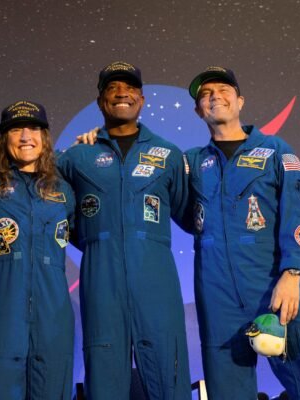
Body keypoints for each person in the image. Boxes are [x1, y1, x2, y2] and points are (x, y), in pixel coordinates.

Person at [184, 66, 300, 399]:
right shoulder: (190, 163)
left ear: (240, 101)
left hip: (273, 285)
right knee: (228, 392)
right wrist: (99, 142)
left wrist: (293, 273)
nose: (215, 97)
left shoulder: (274, 150)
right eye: (206, 94)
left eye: (224, 90)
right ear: (198, 110)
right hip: (217, 296)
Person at [57, 61, 192, 400]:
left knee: (168, 368)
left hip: (156, 275)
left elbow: (192, 216)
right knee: (104, 371)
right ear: (100, 101)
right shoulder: (76, 157)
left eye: (130, 87)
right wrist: (95, 240)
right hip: (101, 275)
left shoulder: (169, 155)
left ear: (141, 99)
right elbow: (55, 209)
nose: (122, 93)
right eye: (113, 88)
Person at [0, 100, 76, 399]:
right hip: (4, 313)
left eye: (33, 128)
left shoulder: (64, 189)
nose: (25, 137)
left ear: (45, 137)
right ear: (4, 138)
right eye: (15, 129)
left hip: (54, 315)